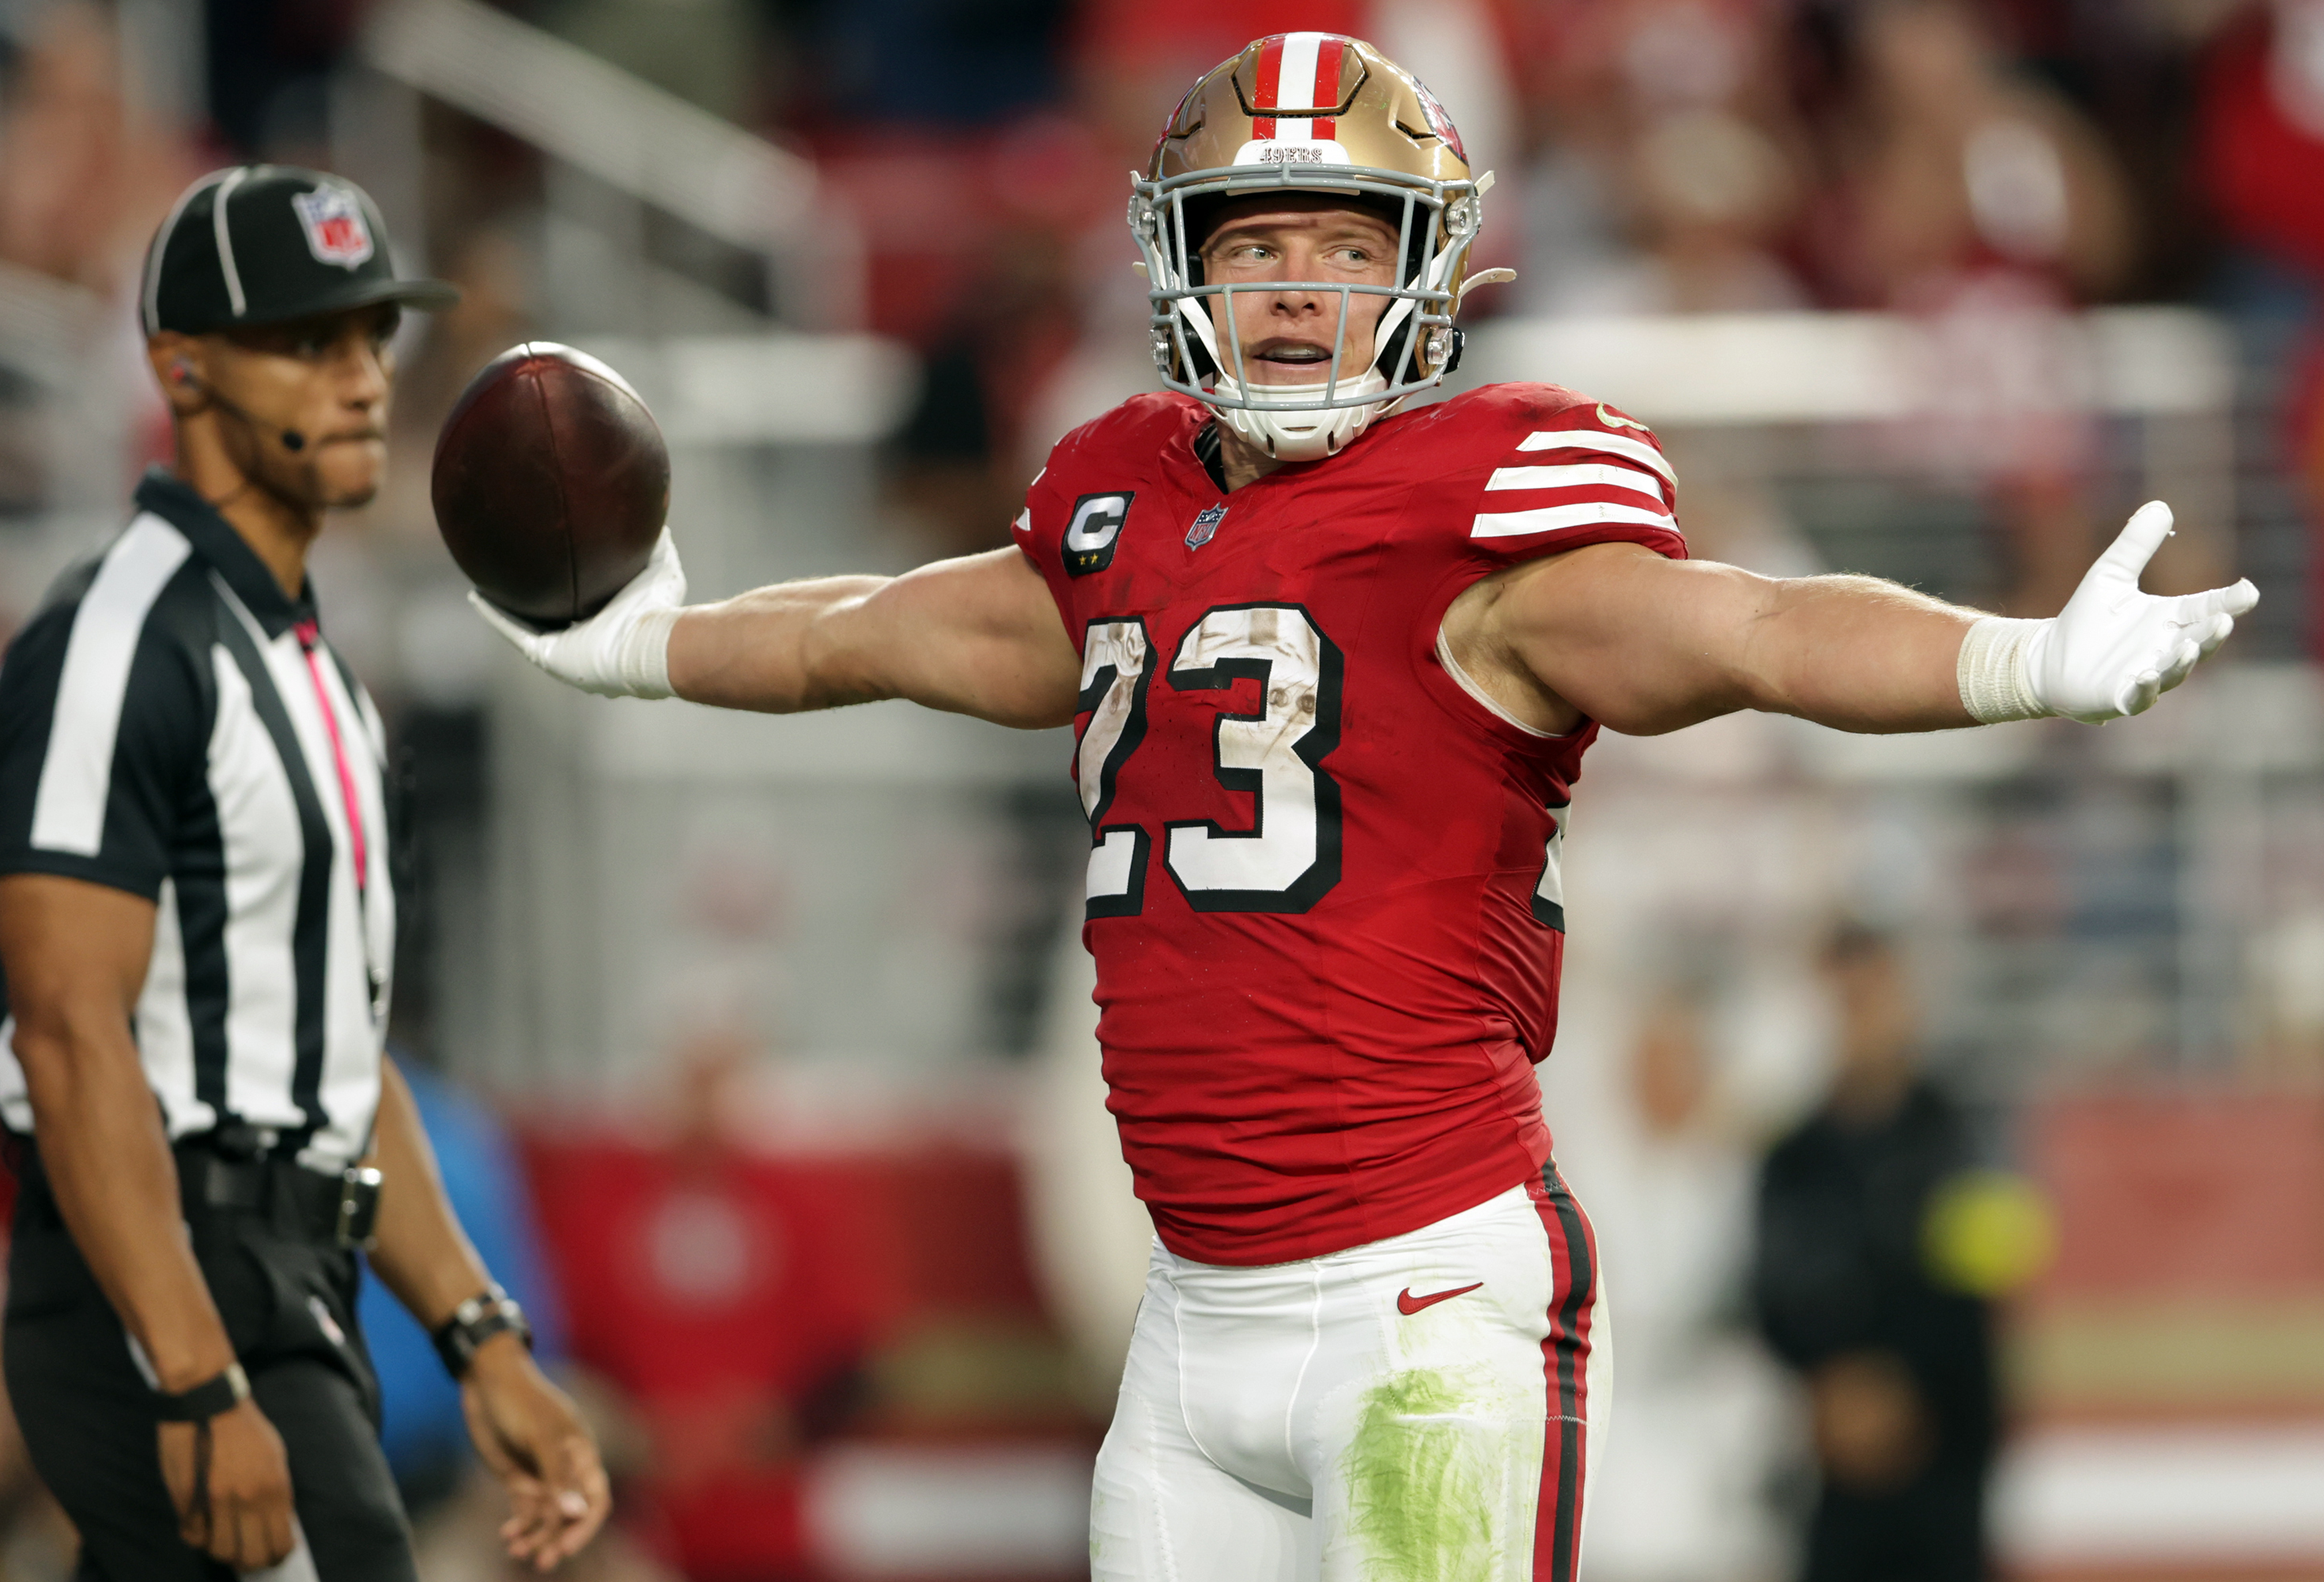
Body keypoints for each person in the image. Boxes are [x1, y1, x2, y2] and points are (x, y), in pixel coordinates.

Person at [477, 33, 2254, 1582]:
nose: (1304, 289)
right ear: (1184, 269)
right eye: (1261, 246)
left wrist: (2020, 659)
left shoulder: (1483, 516)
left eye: (1348, 246)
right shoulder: (1118, 511)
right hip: (1188, 1324)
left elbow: (1752, 627)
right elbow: (875, 629)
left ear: (1426, 275)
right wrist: (651, 642)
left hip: (1428, 1313)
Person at [0, 166, 609, 1580]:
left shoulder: (324, 683)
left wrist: (479, 1334)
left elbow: (336, 1060)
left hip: (298, 1285)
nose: (364, 377)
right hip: (170, 1277)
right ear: (180, 367)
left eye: (374, 335)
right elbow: (70, 1036)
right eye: (308, 341)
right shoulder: (113, 640)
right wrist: (194, 1371)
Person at [1754, 924, 1999, 1582]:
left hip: (1943, 1467)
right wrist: (1829, 1392)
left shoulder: (1963, 1139)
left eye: (1872, 996)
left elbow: (1980, 1293)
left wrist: (1901, 1389)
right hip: (1831, 1475)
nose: (1857, 1017)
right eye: (1842, 1000)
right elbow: (1771, 1294)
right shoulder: (1791, 1156)